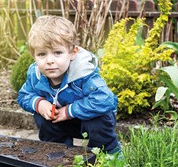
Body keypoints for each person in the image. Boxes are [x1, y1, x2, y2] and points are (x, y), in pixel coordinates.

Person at [17, 15, 121, 154]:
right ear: (33, 55)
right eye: (42, 54)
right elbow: (24, 95)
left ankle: (108, 154)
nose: (49, 61)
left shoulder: (83, 73)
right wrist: (39, 103)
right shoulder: (36, 75)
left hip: (90, 121)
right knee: (43, 117)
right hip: (62, 120)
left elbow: (106, 99)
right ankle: (59, 153)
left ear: (72, 53)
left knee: (98, 120)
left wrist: (69, 111)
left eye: (57, 53)